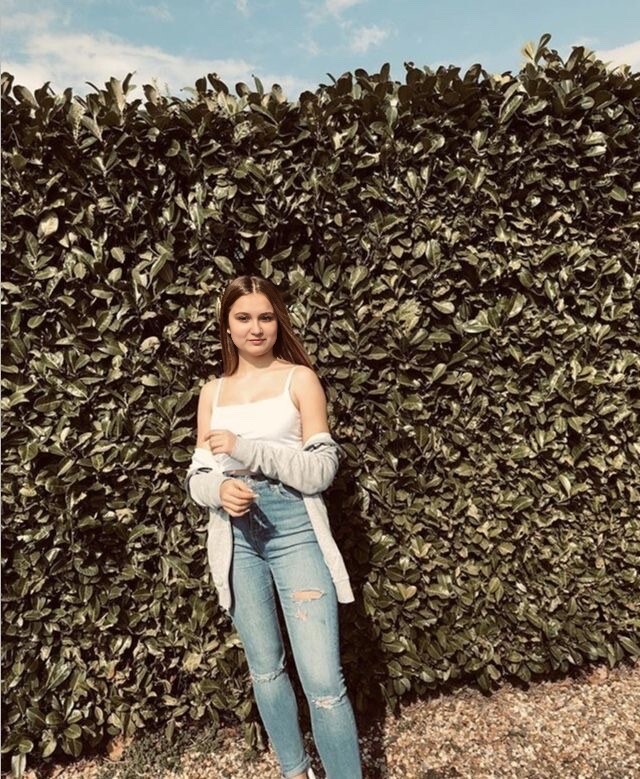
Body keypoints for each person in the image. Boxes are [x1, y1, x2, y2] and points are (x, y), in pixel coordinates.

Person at [185, 275, 363, 779]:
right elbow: (197, 476)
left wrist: (247, 450)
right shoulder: (213, 392)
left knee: (324, 682)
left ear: (278, 321)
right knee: (265, 670)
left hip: (296, 532)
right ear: (227, 325)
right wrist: (218, 489)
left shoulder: (299, 380)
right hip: (237, 539)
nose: (256, 328)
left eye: (265, 316)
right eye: (243, 317)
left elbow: (321, 471)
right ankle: (294, 771)